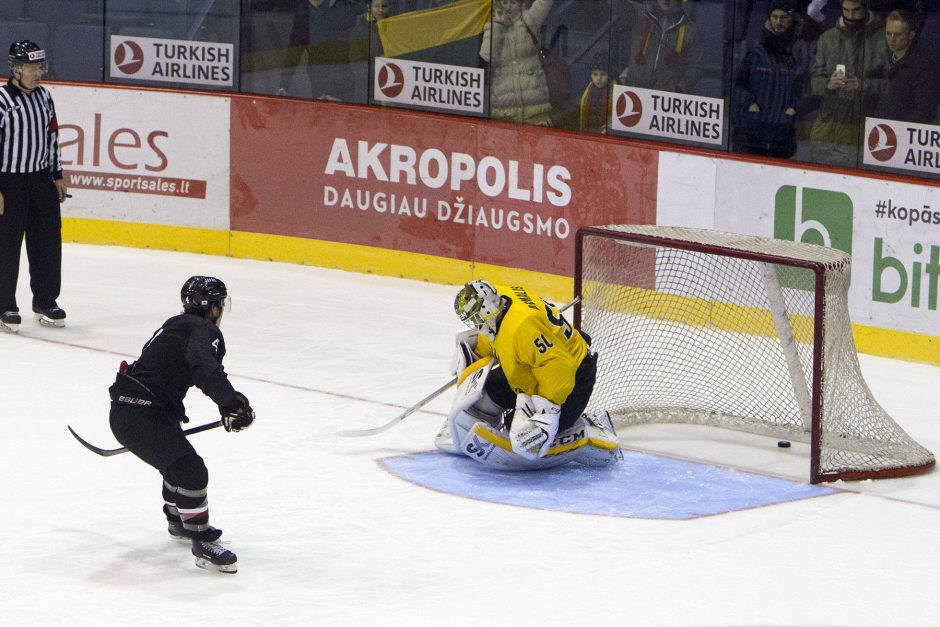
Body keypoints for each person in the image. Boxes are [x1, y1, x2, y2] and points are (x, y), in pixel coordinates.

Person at [108, 276, 256, 574]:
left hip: (137, 411)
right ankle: (199, 538)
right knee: (191, 470)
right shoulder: (203, 330)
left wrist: (230, 401)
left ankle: (179, 520)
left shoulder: (178, 324)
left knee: (175, 464)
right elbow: (206, 371)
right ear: (212, 306)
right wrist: (232, 404)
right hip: (142, 416)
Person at [436, 280, 621, 470]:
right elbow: (503, 339)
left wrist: (547, 412)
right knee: (485, 393)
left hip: (573, 377)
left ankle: (587, 432)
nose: (476, 323)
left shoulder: (521, 326)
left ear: (487, 308)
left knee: (528, 441)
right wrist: (477, 349)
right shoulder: (499, 299)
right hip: (535, 368)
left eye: (476, 318)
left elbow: (559, 366)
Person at [0, 40, 69, 334]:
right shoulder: (2, 99)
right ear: (16, 69)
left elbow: (52, 136)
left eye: (40, 67)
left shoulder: (44, 97)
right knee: (6, 246)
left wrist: (57, 174)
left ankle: (45, 301)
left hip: (40, 180)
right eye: (31, 67)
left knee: (47, 243)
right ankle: (4, 304)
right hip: (9, 182)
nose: (37, 73)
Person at [808, 0, 885, 167]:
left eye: (856, 10)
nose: (850, 15)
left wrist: (864, 85)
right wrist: (828, 84)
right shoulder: (828, 38)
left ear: (866, 7)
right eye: (846, 10)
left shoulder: (884, 38)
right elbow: (814, 80)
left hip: (866, 128)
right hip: (828, 127)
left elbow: (894, 86)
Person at [733, 0, 804, 158]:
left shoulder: (799, 50)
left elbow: (804, 88)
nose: (779, 21)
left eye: (784, 17)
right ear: (769, 18)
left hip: (782, 137)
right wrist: (750, 104)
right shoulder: (754, 48)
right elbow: (735, 85)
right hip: (750, 136)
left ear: (792, 19)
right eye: (775, 16)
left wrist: (792, 109)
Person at [480, 0, 555, 126]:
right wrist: (498, 24)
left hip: (536, 110)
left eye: (513, 3)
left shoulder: (530, 19)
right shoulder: (492, 25)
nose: (508, 7)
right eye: (504, 2)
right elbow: (487, 56)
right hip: (504, 111)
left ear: (520, 4)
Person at [615, 0, 705, 95]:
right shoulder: (640, 14)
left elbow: (696, 67)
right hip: (634, 92)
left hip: (665, 100)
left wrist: (679, 89)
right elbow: (615, 3)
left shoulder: (690, 30)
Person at [870, 10, 940, 124]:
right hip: (877, 131)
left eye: (897, 34)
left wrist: (900, 131)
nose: (892, 39)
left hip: (903, 134)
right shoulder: (881, 61)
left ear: (911, 35)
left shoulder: (924, 69)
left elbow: (924, 110)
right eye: (888, 33)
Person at [579, 49, 616, 133]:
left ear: (610, 74)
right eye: (595, 74)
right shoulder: (587, 90)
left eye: (603, 74)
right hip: (588, 132)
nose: (598, 78)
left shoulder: (615, 92)